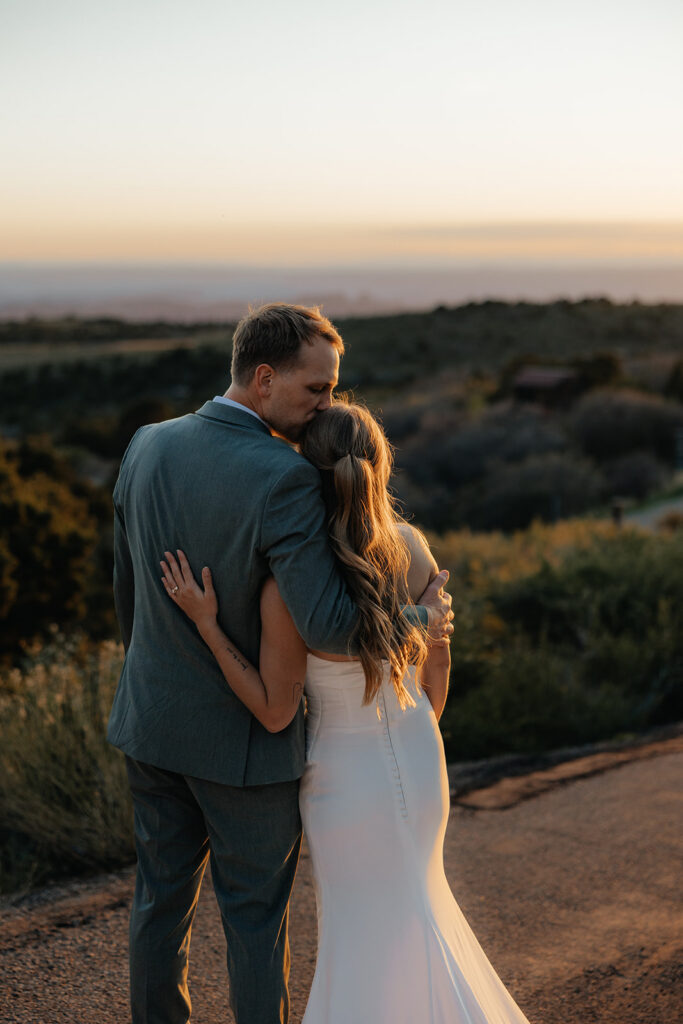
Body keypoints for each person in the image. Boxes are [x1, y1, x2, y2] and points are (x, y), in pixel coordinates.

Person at [108, 303, 453, 1024]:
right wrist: (420, 618)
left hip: (150, 722)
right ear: (263, 378)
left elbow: (128, 592)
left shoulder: (146, 443)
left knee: (157, 907)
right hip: (244, 749)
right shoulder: (284, 475)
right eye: (316, 388)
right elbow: (328, 629)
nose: (327, 403)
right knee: (255, 925)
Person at [161, 400, 532, 1024]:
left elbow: (275, 710)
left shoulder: (292, 581)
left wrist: (207, 625)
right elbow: (434, 690)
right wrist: (411, 703)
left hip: (342, 783)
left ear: (306, 473)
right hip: (420, 760)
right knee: (420, 909)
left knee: (362, 934)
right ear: (378, 465)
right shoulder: (413, 547)